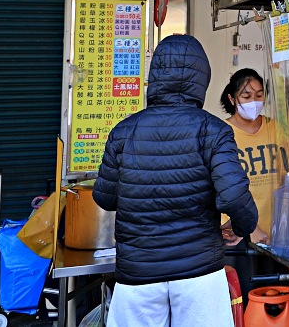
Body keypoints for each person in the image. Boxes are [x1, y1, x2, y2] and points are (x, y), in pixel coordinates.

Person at [94, 34, 258, 327]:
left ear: (155, 75)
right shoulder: (213, 131)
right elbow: (234, 197)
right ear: (201, 79)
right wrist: (241, 227)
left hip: (138, 275)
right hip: (199, 275)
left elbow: (104, 198)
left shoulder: (123, 132)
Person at [219, 68, 279, 246]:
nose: (254, 101)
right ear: (232, 99)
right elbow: (215, 189)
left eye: (259, 95)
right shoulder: (220, 134)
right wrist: (248, 228)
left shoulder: (277, 130)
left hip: (278, 233)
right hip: (236, 235)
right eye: (246, 97)